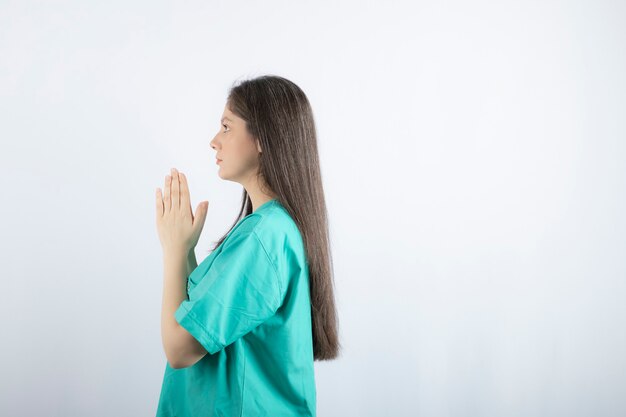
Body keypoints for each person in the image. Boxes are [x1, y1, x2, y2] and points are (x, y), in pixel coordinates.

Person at [154, 75, 341, 416]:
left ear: (262, 140)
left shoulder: (265, 236)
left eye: (226, 127)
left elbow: (180, 348)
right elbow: (205, 320)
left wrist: (172, 250)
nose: (214, 141)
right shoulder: (271, 228)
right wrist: (185, 251)